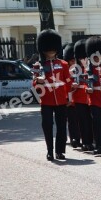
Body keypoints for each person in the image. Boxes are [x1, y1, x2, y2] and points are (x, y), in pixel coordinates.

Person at [32, 29, 71, 161]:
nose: (51, 52)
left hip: (61, 100)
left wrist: (69, 98)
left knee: (61, 127)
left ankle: (60, 151)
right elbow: (35, 86)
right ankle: (50, 151)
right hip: (47, 100)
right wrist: (38, 81)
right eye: (48, 50)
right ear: (43, 50)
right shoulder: (39, 65)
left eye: (53, 49)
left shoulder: (63, 64)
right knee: (47, 126)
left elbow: (68, 82)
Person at [72, 39, 94, 153]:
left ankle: (91, 141)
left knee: (91, 121)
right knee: (83, 121)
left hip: (90, 98)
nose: (83, 59)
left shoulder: (91, 67)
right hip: (79, 98)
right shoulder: (74, 69)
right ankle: (85, 142)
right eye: (81, 57)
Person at [61, 43, 81, 150]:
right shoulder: (65, 70)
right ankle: (72, 138)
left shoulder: (78, 70)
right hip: (68, 98)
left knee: (77, 120)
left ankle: (77, 138)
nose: (74, 62)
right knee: (70, 120)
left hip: (77, 98)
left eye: (75, 60)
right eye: (72, 60)